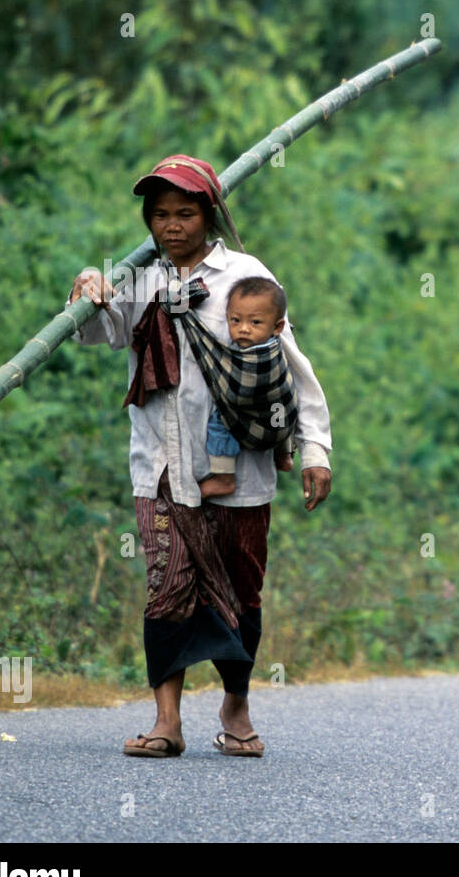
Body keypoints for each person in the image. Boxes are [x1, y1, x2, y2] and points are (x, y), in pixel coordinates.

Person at [68, 154, 333, 758]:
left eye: (185, 212)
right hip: (159, 468)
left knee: (241, 590)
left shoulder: (245, 276)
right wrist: (88, 293)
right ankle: (167, 721)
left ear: (207, 214)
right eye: (160, 215)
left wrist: (313, 448)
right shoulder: (137, 277)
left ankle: (236, 708)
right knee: (165, 589)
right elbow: (98, 332)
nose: (172, 225)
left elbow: (294, 368)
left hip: (239, 473)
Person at [195, 277, 298, 500]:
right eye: (235, 320)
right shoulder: (275, 344)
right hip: (277, 419)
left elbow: (237, 395)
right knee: (282, 404)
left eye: (255, 323)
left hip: (269, 414)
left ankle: (223, 477)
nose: (243, 329)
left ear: (277, 327)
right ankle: (284, 454)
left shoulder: (262, 356)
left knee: (220, 416)